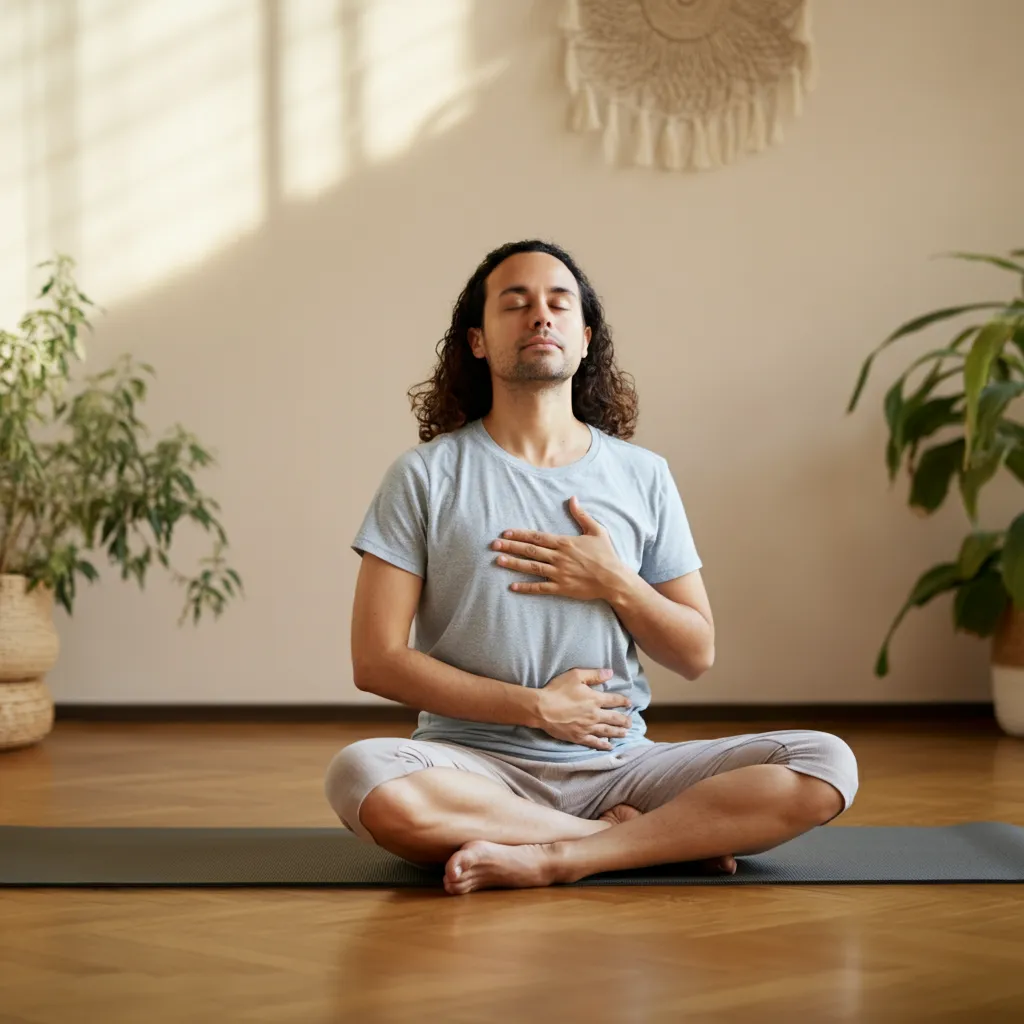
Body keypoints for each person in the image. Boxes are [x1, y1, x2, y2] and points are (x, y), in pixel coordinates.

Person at [324, 240, 858, 895]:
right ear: (478, 341)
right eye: (514, 303)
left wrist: (616, 582)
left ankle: (555, 857)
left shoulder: (643, 475)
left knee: (825, 763)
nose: (538, 316)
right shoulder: (424, 476)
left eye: (558, 303)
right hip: (473, 766)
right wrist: (536, 708)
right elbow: (375, 660)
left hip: (621, 766)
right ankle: (640, 845)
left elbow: (695, 652)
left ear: (583, 338)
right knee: (361, 775)